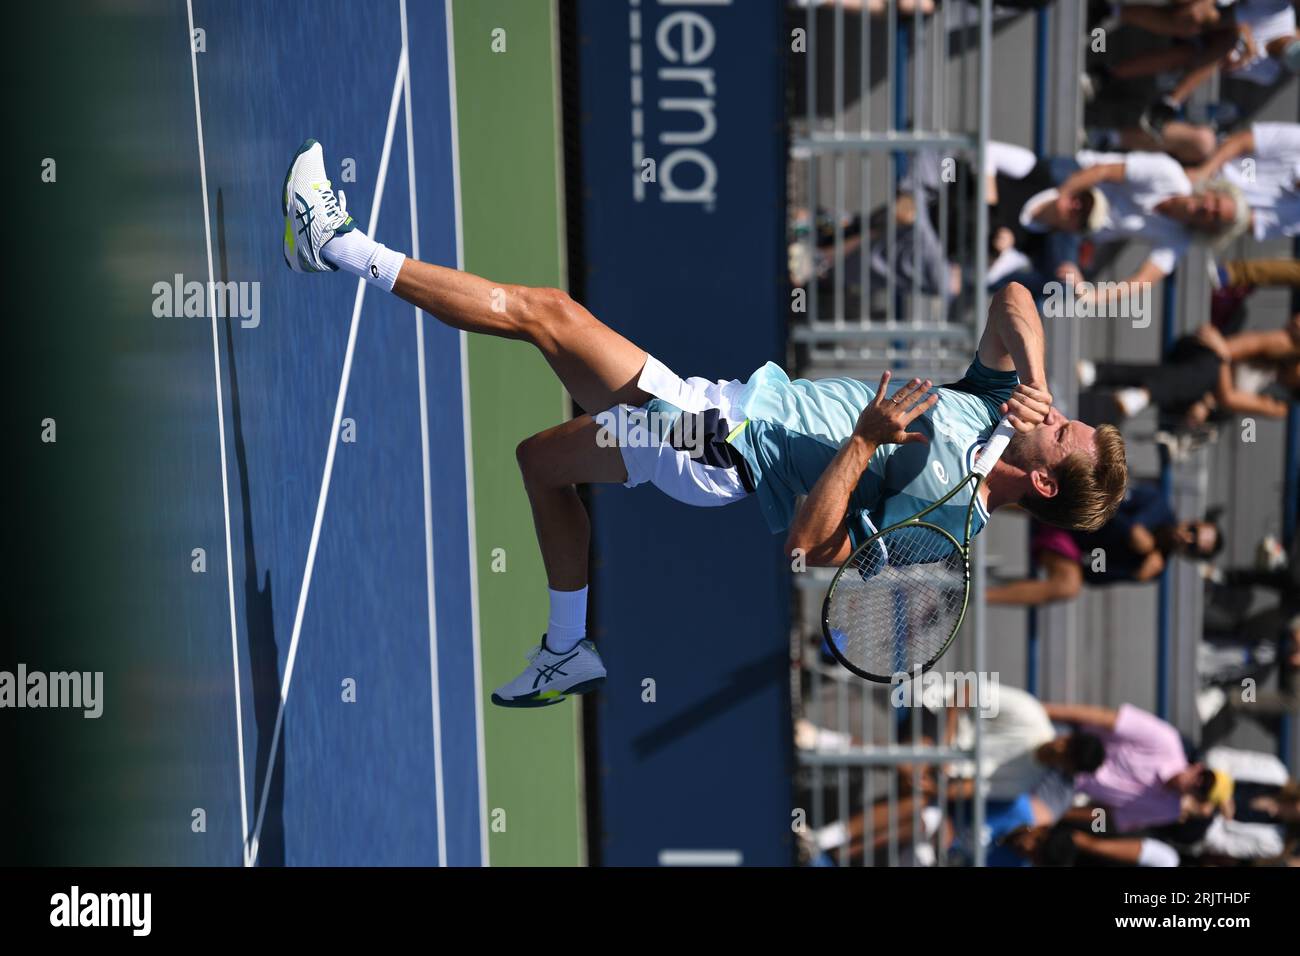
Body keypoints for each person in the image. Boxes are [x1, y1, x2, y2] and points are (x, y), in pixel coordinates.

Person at [282, 139, 1129, 707]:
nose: (1054, 416)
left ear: (1046, 478)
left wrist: (865, 441)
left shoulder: (941, 521)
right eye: (1067, 413)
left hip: (715, 443)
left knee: (547, 313)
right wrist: (1041, 382)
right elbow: (1012, 297)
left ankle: (336, 242)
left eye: (1063, 430)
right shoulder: (993, 405)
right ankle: (569, 647)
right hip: (720, 421)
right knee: (542, 462)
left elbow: (807, 548)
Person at [987, 482, 1223, 607]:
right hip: (1067, 508)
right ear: (1193, 521)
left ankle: (980, 598)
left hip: (1067, 544)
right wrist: (1131, 528)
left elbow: (1093, 574)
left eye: (1193, 547)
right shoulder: (1157, 503)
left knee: (1070, 587)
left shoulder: (1153, 569)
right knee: (1056, 490)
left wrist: (1133, 574)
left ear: (1190, 557)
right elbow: (1106, 498)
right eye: (1193, 531)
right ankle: (980, 494)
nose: (1187, 538)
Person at [1045, 701, 1226, 833]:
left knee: (1031, 816)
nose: (1198, 782)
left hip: (1066, 786)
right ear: (1200, 767)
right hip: (1068, 741)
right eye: (1204, 776)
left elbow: (1110, 817)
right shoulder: (1167, 740)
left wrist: (1059, 813)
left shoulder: (1169, 811)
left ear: (1199, 799)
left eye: (1203, 789)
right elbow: (1099, 717)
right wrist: (1042, 710)